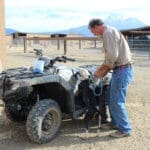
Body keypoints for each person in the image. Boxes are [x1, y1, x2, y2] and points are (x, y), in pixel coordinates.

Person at [88, 18, 134, 138]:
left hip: (122, 70)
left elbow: (112, 56)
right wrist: (104, 70)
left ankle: (125, 129)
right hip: (120, 70)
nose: (94, 34)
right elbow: (112, 57)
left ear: (97, 26)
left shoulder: (108, 33)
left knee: (117, 101)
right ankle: (115, 123)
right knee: (110, 98)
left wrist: (101, 71)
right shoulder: (110, 32)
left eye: (93, 31)